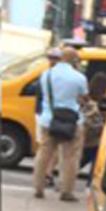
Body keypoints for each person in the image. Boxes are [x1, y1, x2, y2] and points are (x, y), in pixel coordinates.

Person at [32, 45, 88, 202]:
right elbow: (84, 98)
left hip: (48, 119)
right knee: (70, 157)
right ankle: (66, 191)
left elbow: (42, 95)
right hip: (72, 121)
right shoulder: (79, 78)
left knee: (44, 153)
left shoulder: (46, 75)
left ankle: (38, 187)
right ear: (74, 61)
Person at [80, 68, 106, 177]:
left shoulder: (85, 98)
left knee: (84, 157)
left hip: (84, 133)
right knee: (95, 156)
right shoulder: (105, 101)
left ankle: (68, 174)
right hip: (95, 136)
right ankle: (91, 179)